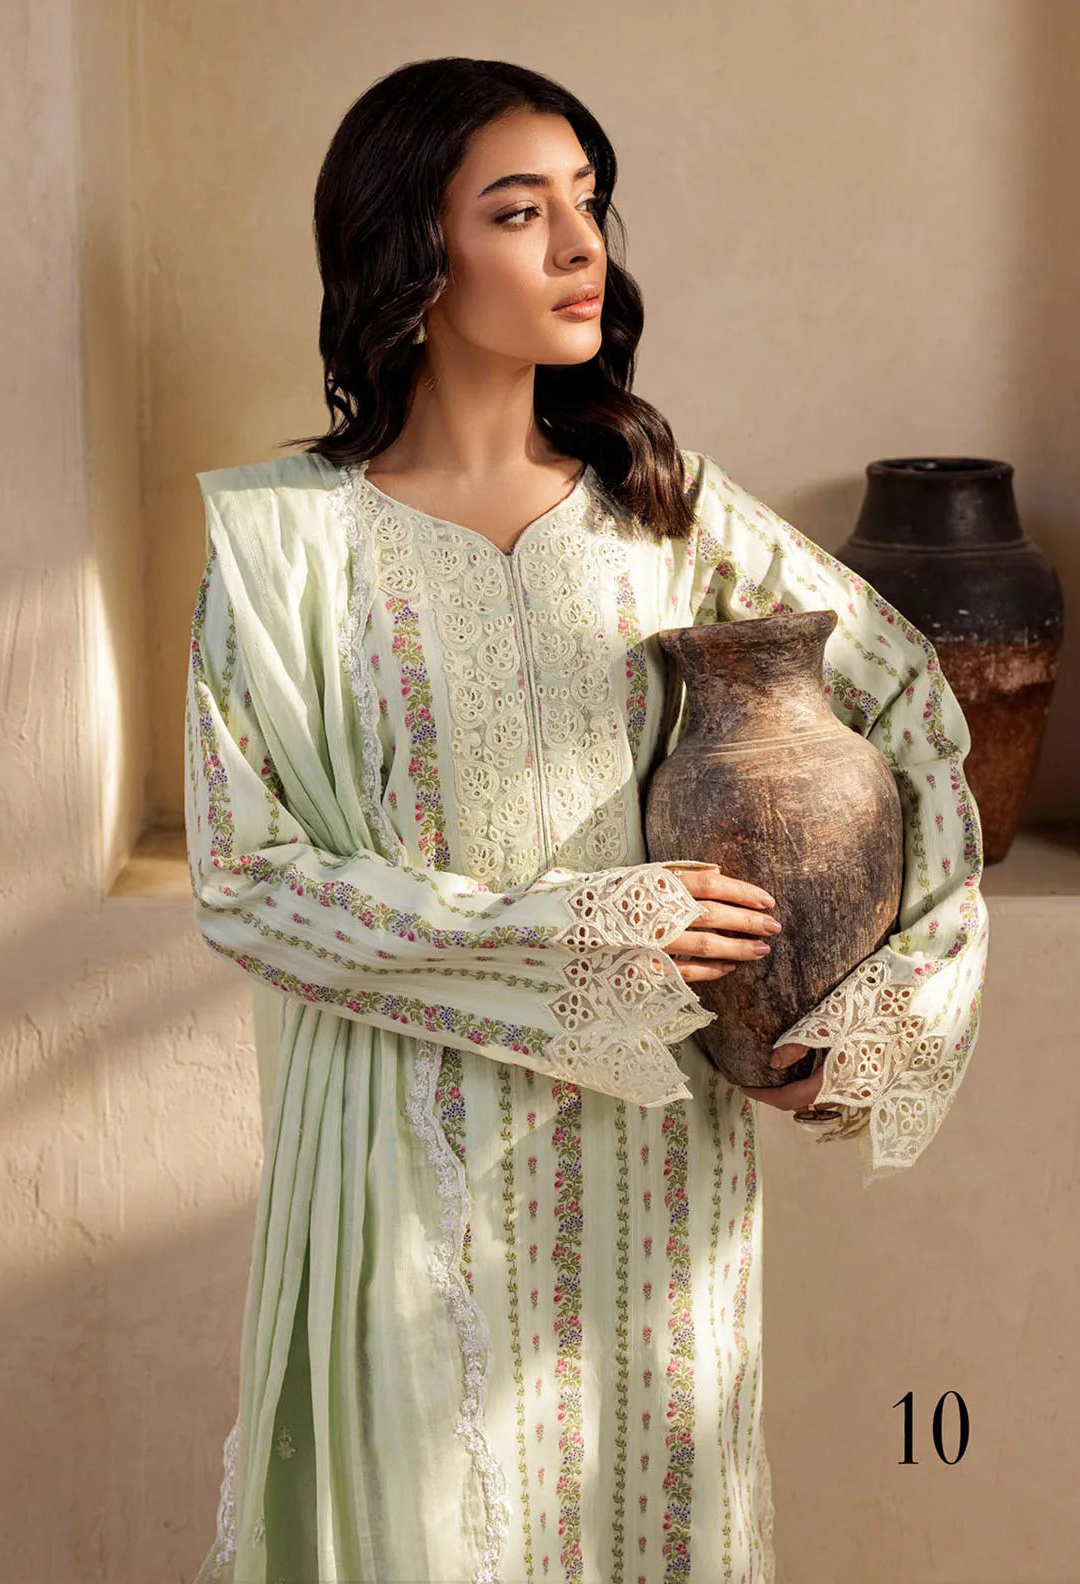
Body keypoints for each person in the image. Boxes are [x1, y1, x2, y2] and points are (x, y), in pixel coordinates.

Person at [183, 57, 988, 1584]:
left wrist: (869, 1009)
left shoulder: (666, 515)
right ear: (409, 252)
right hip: (402, 1173)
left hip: (655, 1174)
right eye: (516, 210)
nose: (578, 247)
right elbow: (247, 881)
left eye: (587, 202)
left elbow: (910, 717)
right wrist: (583, 931)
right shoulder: (285, 547)